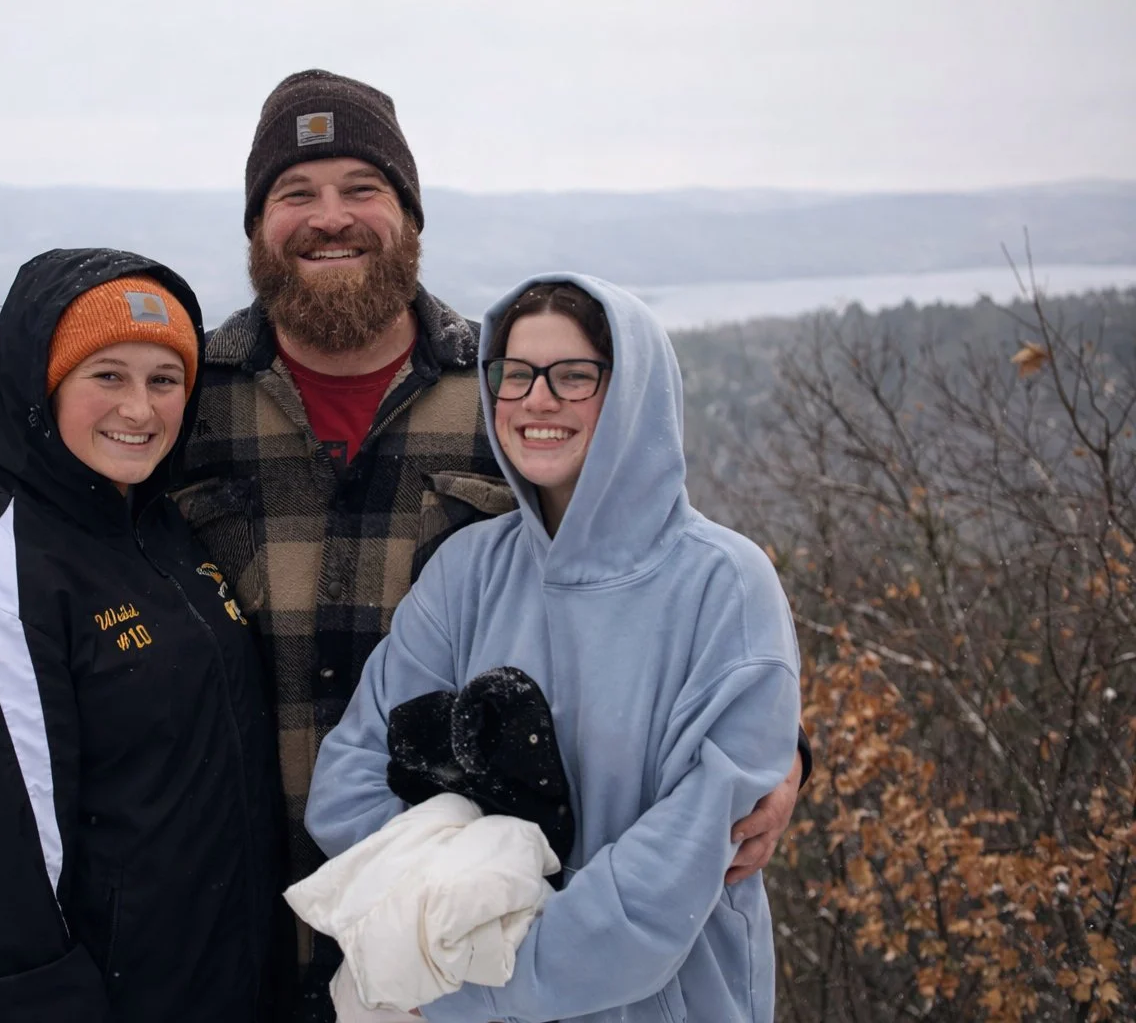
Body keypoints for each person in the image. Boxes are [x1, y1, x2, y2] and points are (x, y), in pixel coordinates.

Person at [175, 69, 809, 1019]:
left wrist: (773, 757)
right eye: (295, 194)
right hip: (243, 919)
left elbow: (660, 582)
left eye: (362, 189)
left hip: (466, 944)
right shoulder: (178, 407)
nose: (329, 217)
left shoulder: (503, 388)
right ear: (257, 226)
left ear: (411, 216)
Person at [307, 275, 802, 1022]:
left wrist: (465, 984)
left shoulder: (723, 585)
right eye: (516, 375)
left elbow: (669, 875)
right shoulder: (469, 571)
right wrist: (444, 930)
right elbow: (349, 787)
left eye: (575, 376)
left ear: (633, 394)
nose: (539, 400)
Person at [0, 249, 281, 1022]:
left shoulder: (162, 535)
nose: (139, 408)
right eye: (107, 375)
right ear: (42, 387)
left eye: (164, 380)